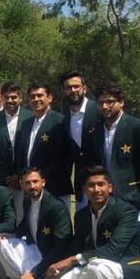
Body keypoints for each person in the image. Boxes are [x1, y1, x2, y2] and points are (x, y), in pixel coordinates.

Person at [45, 166, 140, 279]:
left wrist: (72, 260)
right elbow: (77, 246)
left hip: (124, 266)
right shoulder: (82, 215)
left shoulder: (126, 211)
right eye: (91, 185)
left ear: (110, 187)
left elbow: (114, 250)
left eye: (101, 184)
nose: (96, 189)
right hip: (95, 267)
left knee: (97, 267)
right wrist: (61, 266)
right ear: (84, 189)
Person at [83, 84, 140, 255]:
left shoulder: (137, 126)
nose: (105, 106)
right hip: (109, 201)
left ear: (121, 102)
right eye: (100, 102)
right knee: (115, 248)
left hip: (138, 200)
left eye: (110, 101)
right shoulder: (95, 131)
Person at [0, 167, 72, 279]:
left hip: (52, 258)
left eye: (35, 181)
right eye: (27, 183)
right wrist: (8, 235)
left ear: (43, 182)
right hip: (36, 249)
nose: (32, 186)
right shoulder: (27, 200)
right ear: (22, 185)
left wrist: (34, 273)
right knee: (2, 244)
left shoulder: (56, 207)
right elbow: (25, 225)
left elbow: (61, 247)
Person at [15, 83, 72, 206]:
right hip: (31, 189)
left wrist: (40, 178)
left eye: (40, 95)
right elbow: (21, 155)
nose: (36, 99)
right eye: (32, 96)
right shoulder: (26, 124)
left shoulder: (60, 121)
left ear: (49, 98)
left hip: (55, 188)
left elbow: (62, 157)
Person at [0, 81, 33, 220]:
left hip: (26, 178)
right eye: (6, 97)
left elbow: (31, 149)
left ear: (20, 98)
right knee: (5, 216)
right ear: (2, 98)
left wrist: (20, 176)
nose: (10, 100)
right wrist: (5, 175)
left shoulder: (31, 118)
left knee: (25, 216)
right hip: (2, 178)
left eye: (14, 97)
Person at [60, 71, 100, 210]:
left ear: (84, 88)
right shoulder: (64, 115)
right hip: (81, 183)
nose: (73, 90)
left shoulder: (98, 109)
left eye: (76, 86)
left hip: (103, 180)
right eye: (69, 87)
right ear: (64, 91)